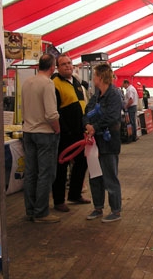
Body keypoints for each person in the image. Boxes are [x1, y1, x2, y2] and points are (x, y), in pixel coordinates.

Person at [21, 53, 61, 223]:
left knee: (31, 172)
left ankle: (30, 210)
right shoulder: (47, 83)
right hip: (44, 133)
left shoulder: (27, 82)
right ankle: (41, 212)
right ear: (52, 67)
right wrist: (57, 130)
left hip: (27, 131)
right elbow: (51, 113)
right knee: (45, 173)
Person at [83, 63, 123, 223]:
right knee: (95, 175)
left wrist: (94, 126)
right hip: (94, 141)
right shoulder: (96, 95)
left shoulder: (114, 95)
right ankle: (98, 207)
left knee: (110, 176)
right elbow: (86, 111)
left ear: (100, 77)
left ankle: (115, 210)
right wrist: (87, 125)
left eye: (94, 76)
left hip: (109, 140)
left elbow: (112, 116)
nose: (93, 79)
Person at [52, 54, 90, 212]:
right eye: (63, 64)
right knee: (61, 166)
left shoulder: (76, 82)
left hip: (80, 131)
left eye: (69, 63)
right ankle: (59, 200)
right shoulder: (54, 83)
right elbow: (54, 110)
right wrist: (64, 130)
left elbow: (83, 104)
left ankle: (74, 194)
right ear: (57, 67)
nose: (67, 66)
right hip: (65, 133)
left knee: (82, 162)